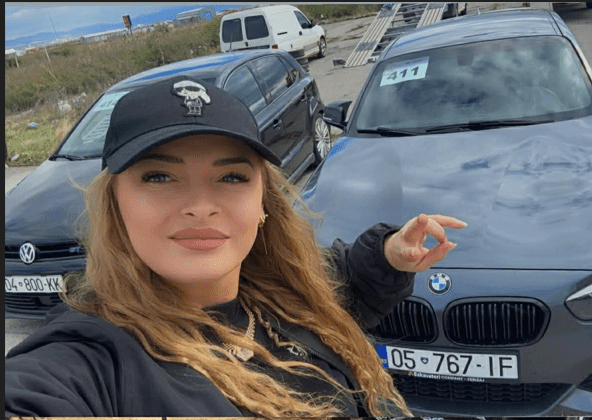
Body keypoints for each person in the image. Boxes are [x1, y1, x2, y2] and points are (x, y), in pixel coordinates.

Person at [5, 75, 467, 417]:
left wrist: (389, 253)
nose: (200, 207)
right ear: (116, 204)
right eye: (159, 176)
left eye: (231, 177)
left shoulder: (282, 292)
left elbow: (343, 279)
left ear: (263, 203)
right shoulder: (94, 357)